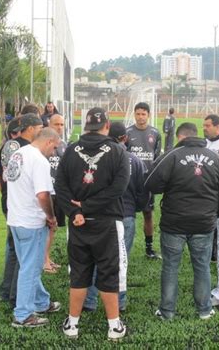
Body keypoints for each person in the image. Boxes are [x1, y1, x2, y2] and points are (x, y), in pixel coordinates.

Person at [55, 107, 130, 341]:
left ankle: (73, 325)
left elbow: (60, 185)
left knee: (79, 273)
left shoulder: (69, 150)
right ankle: (113, 326)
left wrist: (76, 211)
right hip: (107, 222)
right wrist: (85, 208)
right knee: (108, 273)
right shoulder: (118, 151)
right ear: (106, 126)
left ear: (86, 126)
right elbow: (118, 189)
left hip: (78, 224)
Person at [145, 122, 219, 320]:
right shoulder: (217, 159)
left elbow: (150, 183)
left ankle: (167, 312)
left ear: (180, 138)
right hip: (204, 223)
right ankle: (204, 310)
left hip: (174, 223)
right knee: (201, 266)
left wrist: (168, 186)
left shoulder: (172, 156)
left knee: (170, 266)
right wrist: (215, 214)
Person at [83, 121, 149, 312]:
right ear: (125, 138)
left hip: (99, 215)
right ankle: (118, 302)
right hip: (124, 215)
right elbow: (142, 191)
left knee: (95, 259)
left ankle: (90, 301)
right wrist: (137, 207)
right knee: (120, 261)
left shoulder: (98, 157)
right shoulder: (134, 160)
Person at [6, 128, 62, 328]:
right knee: (30, 269)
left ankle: (41, 302)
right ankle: (23, 315)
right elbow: (43, 195)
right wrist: (51, 217)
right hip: (32, 222)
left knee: (28, 265)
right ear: (48, 142)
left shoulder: (18, 154)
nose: (54, 152)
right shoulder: (39, 161)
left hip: (15, 219)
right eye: (54, 147)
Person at [0, 114, 44, 308]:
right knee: (22, 253)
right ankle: (16, 296)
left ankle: (8, 291)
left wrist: (6, 196)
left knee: (14, 249)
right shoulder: (25, 149)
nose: (42, 131)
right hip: (20, 207)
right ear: (30, 128)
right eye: (40, 127)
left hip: (12, 205)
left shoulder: (10, 145)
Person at [126, 102, 162, 259]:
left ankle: (149, 248)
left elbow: (156, 158)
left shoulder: (155, 133)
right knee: (126, 214)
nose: (140, 117)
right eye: (138, 114)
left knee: (148, 213)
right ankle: (122, 246)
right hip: (129, 181)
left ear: (148, 115)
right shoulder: (127, 133)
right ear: (134, 114)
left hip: (147, 180)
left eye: (143, 114)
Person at [202, 114, 219, 307]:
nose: (204, 128)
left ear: (217, 127)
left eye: (207, 125)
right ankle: (208, 255)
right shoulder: (202, 143)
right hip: (205, 193)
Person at [43, 114, 67, 273]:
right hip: (46, 192)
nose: (59, 127)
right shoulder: (43, 145)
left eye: (62, 125)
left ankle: (47, 257)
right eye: (56, 124)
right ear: (49, 125)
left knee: (54, 227)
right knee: (45, 227)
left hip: (59, 193)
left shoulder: (64, 145)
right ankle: (43, 260)